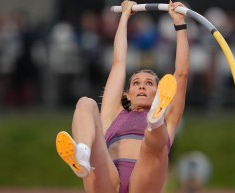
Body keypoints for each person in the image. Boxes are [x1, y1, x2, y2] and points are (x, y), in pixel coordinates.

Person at [56, 0, 190, 193]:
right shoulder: (112, 114)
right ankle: (83, 153)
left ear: (159, 93)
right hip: (105, 177)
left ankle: (154, 121)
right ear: (128, 94)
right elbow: (119, 62)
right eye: (136, 83)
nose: (142, 86)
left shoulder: (171, 119)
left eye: (149, 83)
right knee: (86, 103)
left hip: (143, 181)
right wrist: (124, 17)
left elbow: (182, 74)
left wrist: (180, 23)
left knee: (152, 143)